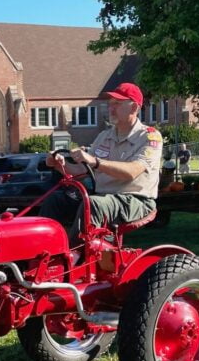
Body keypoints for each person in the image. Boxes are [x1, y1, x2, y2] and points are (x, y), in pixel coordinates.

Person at [42, 82, 160, 245]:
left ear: (134, 108)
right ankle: (43, 252)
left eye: (117, 104)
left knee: (94, 204)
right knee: (54, 200)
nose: (111, 108)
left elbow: (132, 171)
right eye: (110, 104)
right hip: (102, 197)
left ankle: (73, 259)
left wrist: (95, 161)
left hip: (136, 199)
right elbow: (82, 171)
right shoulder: (104, 136)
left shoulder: (149, 137)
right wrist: (58, 164)